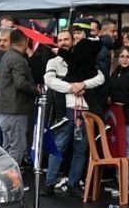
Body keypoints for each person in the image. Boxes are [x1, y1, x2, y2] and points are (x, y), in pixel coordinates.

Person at [42, 28, 106, 197]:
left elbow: (100, 78)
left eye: (66, 39)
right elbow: (48, 80)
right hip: (66, 110)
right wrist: (71, 87)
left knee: (81, 148)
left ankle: (74, 183)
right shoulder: (54, 62)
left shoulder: (85, 58)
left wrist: (83, 84)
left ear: (73, 41)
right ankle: (49, 183)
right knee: (59, 146)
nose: (63, 42)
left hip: (85, 110)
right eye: (60, 40)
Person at [0, 28, 36, 167]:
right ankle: (12, 183)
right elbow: (20, 84)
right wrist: (36, 90)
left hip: (4, 110)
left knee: (7, 147)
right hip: (16, 110)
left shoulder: (6, 56)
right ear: (24, 42)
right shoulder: (18, 59)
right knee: (17, 148)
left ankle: (4, 180)